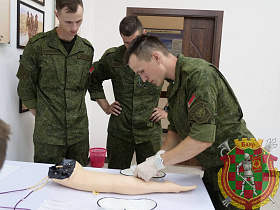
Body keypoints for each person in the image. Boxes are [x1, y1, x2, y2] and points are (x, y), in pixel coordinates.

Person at [124, 35, 254, 209]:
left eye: (141, 71)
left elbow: (202, 139)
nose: (143, 79)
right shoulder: (174, 86)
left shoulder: (198, 75)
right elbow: (175, 130)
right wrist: (159, 154)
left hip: (239, 166)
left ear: (156, 57)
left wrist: (159, 163)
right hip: (214, 165)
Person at [16, 0, 94, 166]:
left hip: (78, 133)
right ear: (57, 15)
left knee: (79, 181)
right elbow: (25, 85)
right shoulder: (38, 45)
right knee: (46, 181)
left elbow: (84, 87)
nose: (74, 28)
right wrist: (42, 114)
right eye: (68, 22)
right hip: (48, 135)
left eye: (79, 21)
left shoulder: (87, 49)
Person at [91, 16, 167, 169]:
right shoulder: (112, 58)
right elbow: (93, 80)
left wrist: (167, 110)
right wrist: (105, 106)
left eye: (135, 41)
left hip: (149, 131)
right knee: (115, 174)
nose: (132, 47)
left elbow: (179, 83)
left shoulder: (159, 57)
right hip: (120, 130)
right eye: (127, 43)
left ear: (144, 33)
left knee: (151, 175)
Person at [49, 159, 196, 195]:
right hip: (74, 174)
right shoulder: (66, 177)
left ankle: (168, 187)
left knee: (118, 183)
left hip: (75, 172)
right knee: (117, 184)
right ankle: (168, 187)